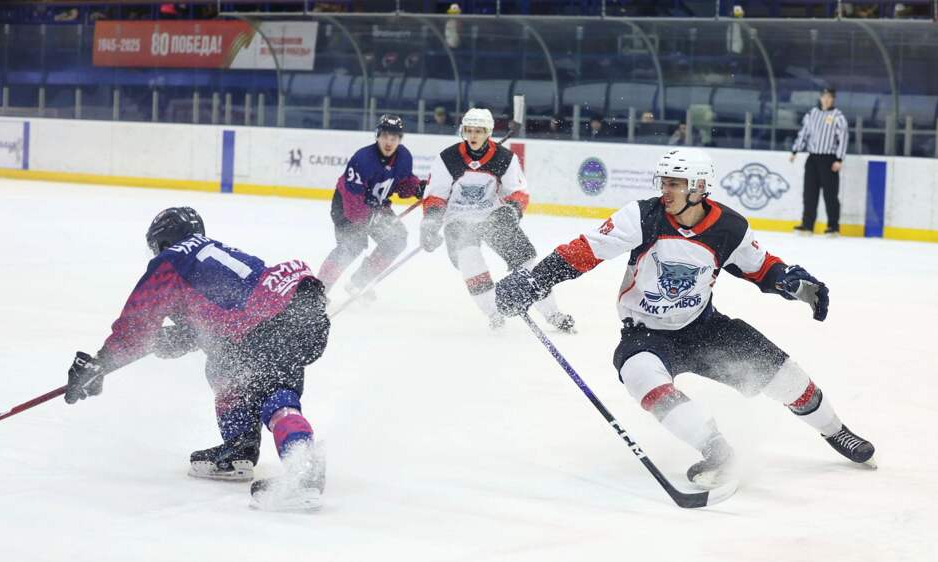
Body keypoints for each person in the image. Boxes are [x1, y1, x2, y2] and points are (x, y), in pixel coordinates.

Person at [494, 148, 876, 486]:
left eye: (675, 183)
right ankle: (718, 451)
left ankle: (835, 431)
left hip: (705, 328)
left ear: (699, 187)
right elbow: (585, 251)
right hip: (646, 335)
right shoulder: (642, 216)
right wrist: (535, 281)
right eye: (664, 182)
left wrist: (791, 283)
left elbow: (761, 267)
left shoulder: (729, 228)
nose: (666, 190)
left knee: (786, 376)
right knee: (640, 375)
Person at [63, 207, 331, 509]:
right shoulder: (210, 253)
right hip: (300, 308)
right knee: (234, 371)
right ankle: (244, 448)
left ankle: (301, 470)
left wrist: (99, 364)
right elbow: (212, 322)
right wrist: (166, 340)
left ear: (164, 241)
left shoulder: (171, 261)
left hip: (261, 324)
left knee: (260, 385)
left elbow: (135, 327)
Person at [420, 107, 574, 331]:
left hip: (492, 217)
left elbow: (518, 192)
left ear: (488, 132)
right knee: (470, 260)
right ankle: (494, 313)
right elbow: (436, 195)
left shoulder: (504, 158)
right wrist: (431, 222)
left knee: (526, 261)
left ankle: (552, 313)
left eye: (479, 131)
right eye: (469, 130)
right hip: (458, 220)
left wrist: (511, 210)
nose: (473, 135)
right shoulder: (448, 158)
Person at [318, 114, 423, 299]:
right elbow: (352, 199)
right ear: (377, 135)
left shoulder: (404, 157)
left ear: (400, 139)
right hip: (345, 206)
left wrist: (417, 188)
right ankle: (316, 294)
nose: (389, 142)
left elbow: (402, 183)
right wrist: (369, 218)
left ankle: (358, 282)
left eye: (394, 138)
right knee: (351, 246)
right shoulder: (363, 158)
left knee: (396, 240)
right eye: (385, 136)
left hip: (376, 207)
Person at [790, 87, 848, 237]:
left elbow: (843, 139)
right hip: (813, 158)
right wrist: (795, 150)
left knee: (830, 195)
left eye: (829, 97)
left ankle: (833, 226)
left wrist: (839, 159)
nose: (826, 100)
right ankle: (807, 225)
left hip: (829, 159)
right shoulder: (812, 114)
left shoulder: (838, 116)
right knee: (809, 193)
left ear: (833, 99)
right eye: (824, 97)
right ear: (820, 98)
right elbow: (804, 133)